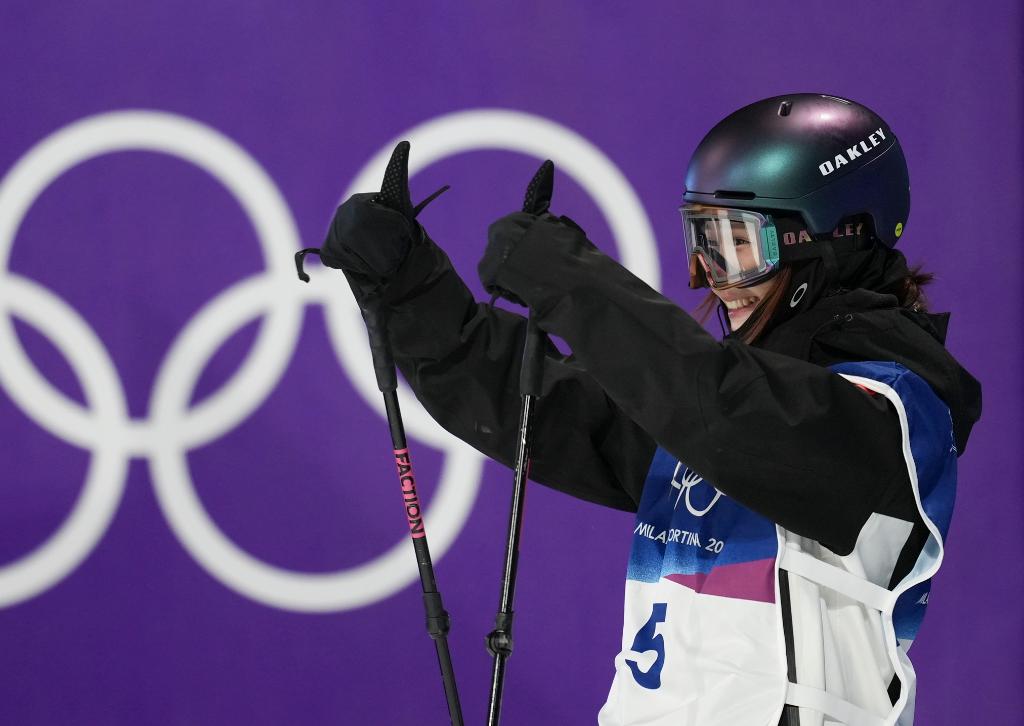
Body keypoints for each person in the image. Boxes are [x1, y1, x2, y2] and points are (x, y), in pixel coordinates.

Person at [313, 94, 982, 726]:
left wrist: (573, 282)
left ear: (836, 239)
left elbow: (737, 417)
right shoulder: (710, 408)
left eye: (739, 244)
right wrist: (411, 294)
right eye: (702, 241)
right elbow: (556, 410)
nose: (714, 276)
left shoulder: (895, 406)